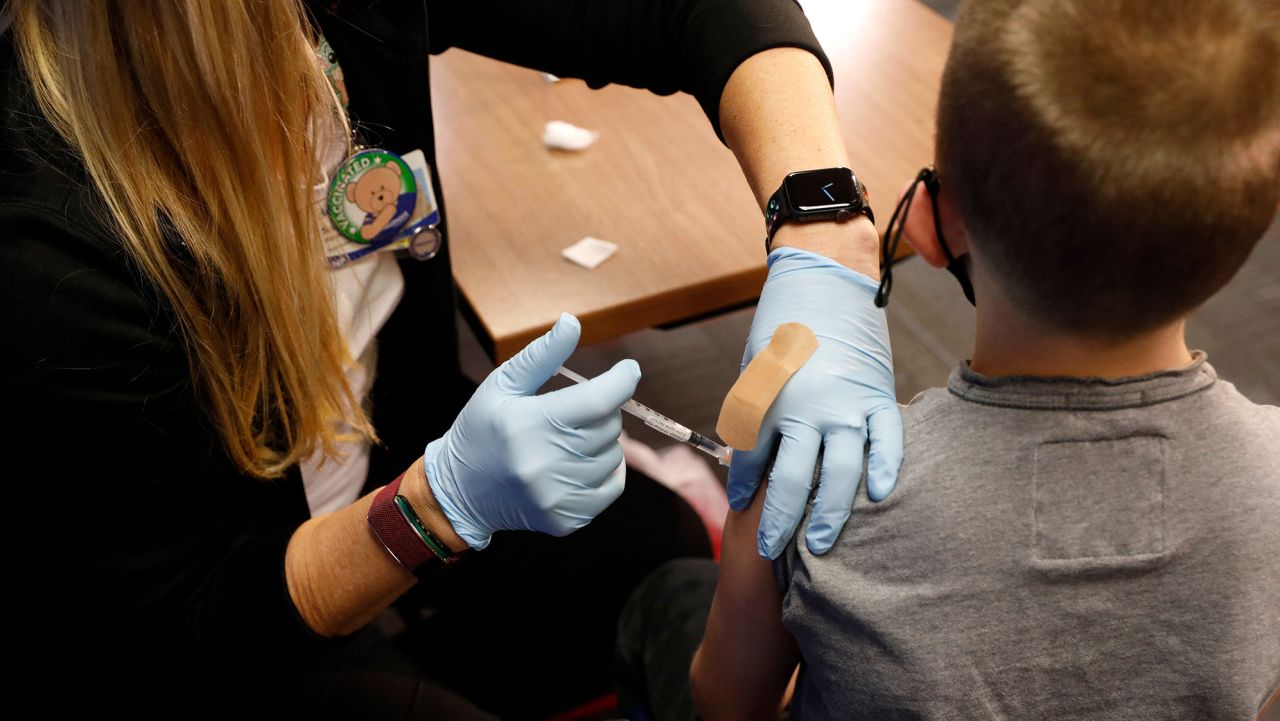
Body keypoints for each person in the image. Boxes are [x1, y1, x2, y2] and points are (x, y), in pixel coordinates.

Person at [1, 0, 905, 718]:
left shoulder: (330, 24)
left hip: (385, 438)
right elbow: (199, 616)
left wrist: (821, 225)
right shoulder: (48, 241)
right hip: (215, 625)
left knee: (660, 550)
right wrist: (437, 505)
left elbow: (696, 9)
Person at [618, 0, 1280, 718]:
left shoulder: (813, 485)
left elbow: (727, 703)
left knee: (667, 594)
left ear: (931, 221)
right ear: (1243, 241)